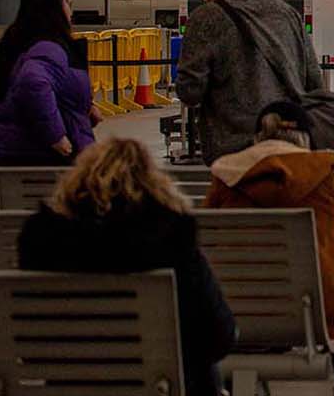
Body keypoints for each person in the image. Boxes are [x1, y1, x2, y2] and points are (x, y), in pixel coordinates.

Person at [18, 138, 236, 396]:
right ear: (153, 183)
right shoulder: (172, 242)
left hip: (70, 381)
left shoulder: (42, 241)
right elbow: (217, 335)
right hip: (159, 384)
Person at [205, 102, 334, 396]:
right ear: (306, 138)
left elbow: (205, 242)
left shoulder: (226, 180)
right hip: (317, 312)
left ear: (258, 137)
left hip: (237, 308)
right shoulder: (328, 179)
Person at [177, 0, 324, 164]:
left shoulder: (206, 17)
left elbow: (190, 91)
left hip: (234, 152)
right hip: (291, 145)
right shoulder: (286, 12)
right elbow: (314, 80)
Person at [0, 0, 97, 194]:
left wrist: (83, 107)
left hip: (6, 155)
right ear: (53, 8)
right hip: (40, 160)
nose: (70, 7)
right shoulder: (49, 46)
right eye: (66, 1)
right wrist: (56, 135)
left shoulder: (16, 40)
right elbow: (33, 83)